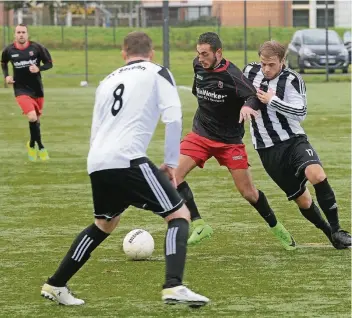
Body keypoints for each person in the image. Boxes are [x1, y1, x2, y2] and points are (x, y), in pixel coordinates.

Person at [40, 31, 209, 307]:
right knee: (180, 215)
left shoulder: (106, 80)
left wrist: (98, 162)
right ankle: (174, 286)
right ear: (151, 53)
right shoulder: (157, 72)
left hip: (98, 160)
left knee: (105, 223)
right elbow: (174, 117)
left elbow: (96, 129)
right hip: (127, 157)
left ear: (123, 53)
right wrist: (170, 162)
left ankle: (56, 283)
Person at [175, 32, 296, 250]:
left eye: (205, 54)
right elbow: (199, 90)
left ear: (218, 52)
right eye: (198, 53)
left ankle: (278, 228)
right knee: (173, 176)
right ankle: (199, 224)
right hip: (201, 134)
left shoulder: (232, 75)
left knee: (249, 193)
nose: (200, 58)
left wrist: (248, 105)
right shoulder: (198, 65)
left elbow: (252, 96)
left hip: (229, 141)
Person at [242, 40, 351, 249]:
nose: (266, 69)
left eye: (271, 64)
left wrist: (273, 100)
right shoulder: (249, 71)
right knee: (304, 201)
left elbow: (300, 112)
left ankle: (338, 229)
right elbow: (237, 90)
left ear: (283, 61)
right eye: (263, 63)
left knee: (317, 175)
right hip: (267, 150)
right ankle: (331, 235)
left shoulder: (292, 79)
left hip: (293, 141)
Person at [1, 24, 52, 161]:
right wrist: (6, 76)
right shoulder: (9, 50)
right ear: (14, 34)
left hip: (37, 89)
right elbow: (4, 63)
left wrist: (39, 68)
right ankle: (41, 146)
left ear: (27, 34)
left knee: (36, 120)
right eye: (18, 32)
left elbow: (49, 63)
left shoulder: (37, 48)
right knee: (32, 117)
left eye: (23, 32)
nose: (21, 34)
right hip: (20, 89)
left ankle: (31, 144)